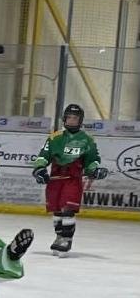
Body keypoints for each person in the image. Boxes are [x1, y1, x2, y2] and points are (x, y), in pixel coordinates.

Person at [32, 104, 108, 256]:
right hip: (55, 179)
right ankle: (59, 236)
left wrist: (94, 171)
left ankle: (67, 239)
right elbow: (43, 155)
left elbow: (92, 160)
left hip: (72, 180)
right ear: (64, 119)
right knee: (57, 211)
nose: (72, 120)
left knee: (68, 210)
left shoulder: (87, 140)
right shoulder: (54, 137)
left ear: (80, 120)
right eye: (69, 117)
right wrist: (39, 168)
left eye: (75, 118)